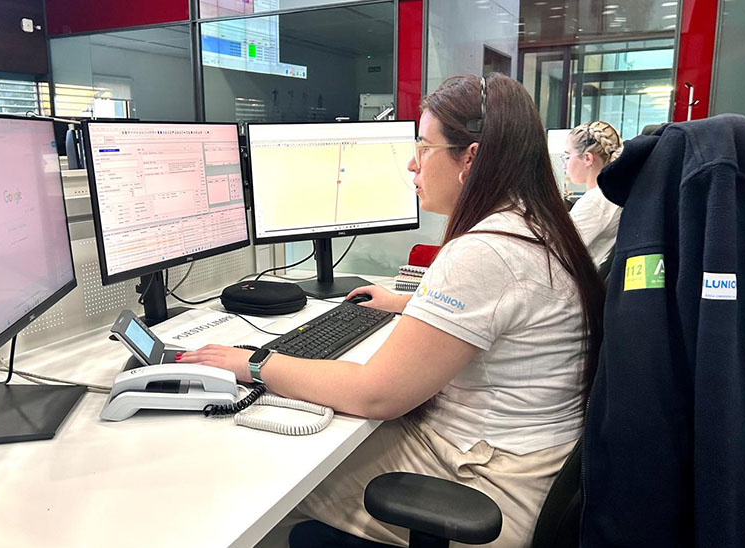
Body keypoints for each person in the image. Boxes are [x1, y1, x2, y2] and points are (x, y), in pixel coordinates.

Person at [178, 74, 605, 547]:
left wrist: (255, 363)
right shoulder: (532, 224)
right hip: (524, 465)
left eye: (424, 146)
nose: (411, 162)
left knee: (265, 482)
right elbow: (498, 311)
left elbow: (375, 395)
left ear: (471, 158)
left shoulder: (488, 249)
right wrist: (408, 304)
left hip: (485, 486)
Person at [563, 121, 623, 268]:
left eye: (568, 156)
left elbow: (557, 250)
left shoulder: (596, 200)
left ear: (587, 158)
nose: (565, 165)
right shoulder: (613, 192)